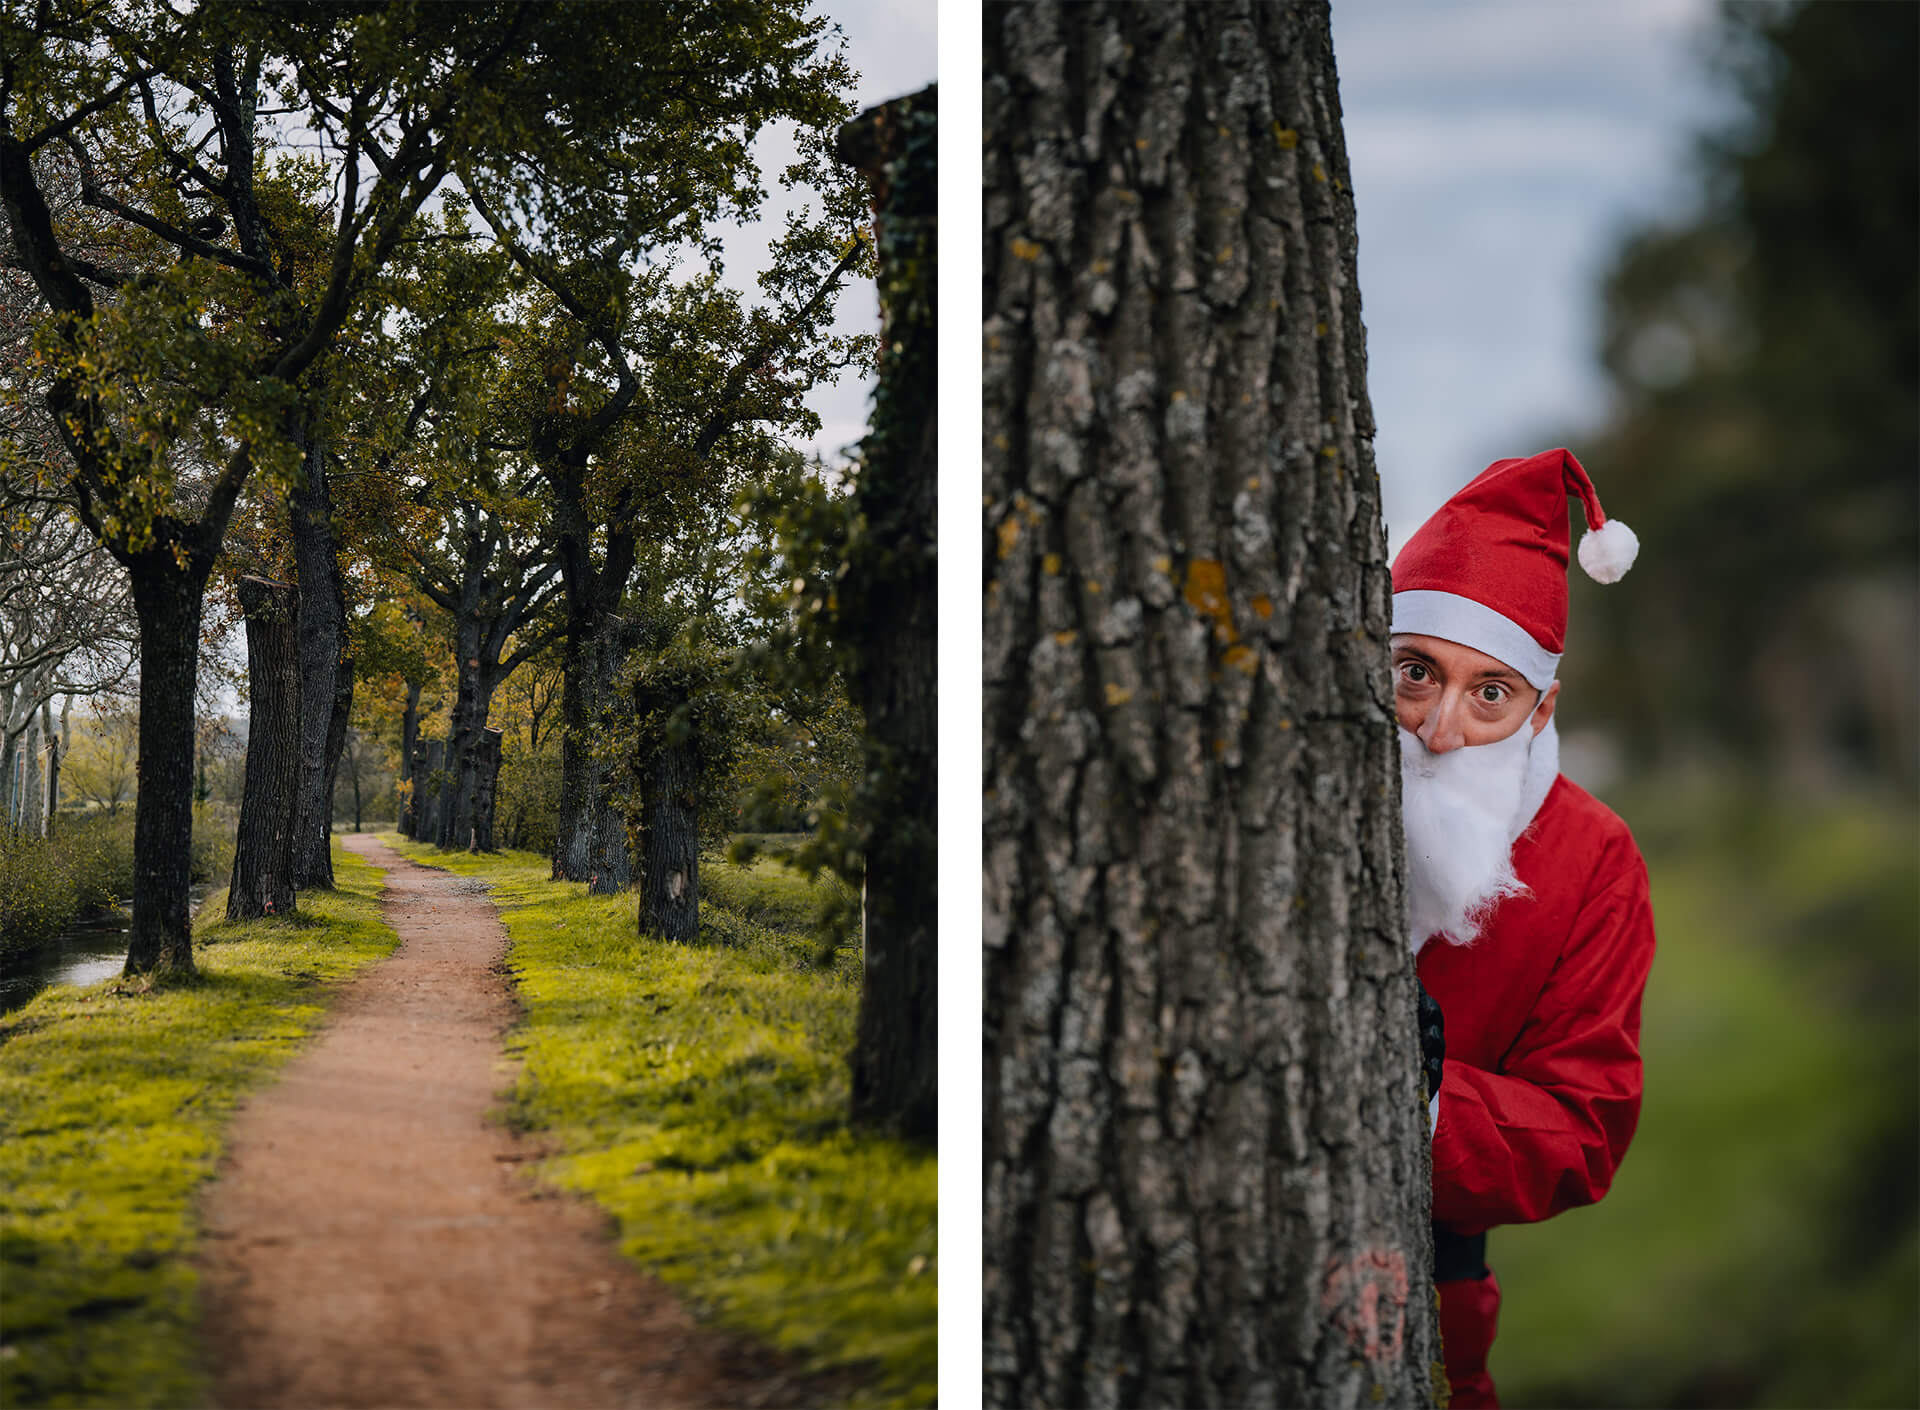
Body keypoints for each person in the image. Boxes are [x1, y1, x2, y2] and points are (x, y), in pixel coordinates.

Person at [1391, 447, 1658, 1409]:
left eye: (1488, 694)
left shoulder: (1594, 860)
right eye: (1414, 673)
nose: (1437, 729)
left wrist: (1419, 1101)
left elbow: (1584, 1129)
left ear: (1542, 707)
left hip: (1427, 1292)